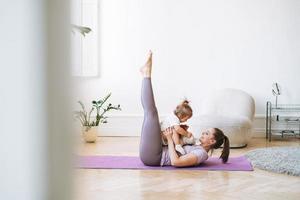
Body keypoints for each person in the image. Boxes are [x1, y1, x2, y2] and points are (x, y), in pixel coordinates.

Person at [139, 50, 230, 167]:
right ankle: (146, 75)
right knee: (151, 114)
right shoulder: (197, 144)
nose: (203, 132)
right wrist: (180, 133)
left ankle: (146, 75)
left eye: (207, 133)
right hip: (157, 149)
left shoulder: (201, 154)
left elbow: (176, 162)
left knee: (151, 114)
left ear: (212, 141)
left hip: (154, 157)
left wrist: (170, 139)